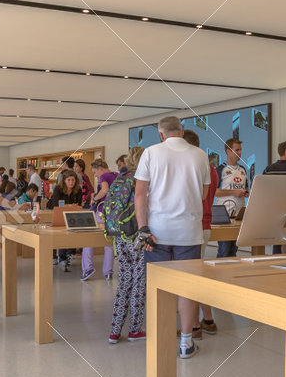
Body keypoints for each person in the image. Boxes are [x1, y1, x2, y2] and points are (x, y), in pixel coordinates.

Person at [135, 116, 212, 359]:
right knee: (186, 288)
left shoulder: (150, 152)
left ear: (161, 134)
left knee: (159, 288)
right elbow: (204, 193)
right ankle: (186, 343)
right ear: (181, 131)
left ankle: (161, 339)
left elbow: (140, 194)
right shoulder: (200, 154)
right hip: (189, 232)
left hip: (157, 232)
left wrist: (143, 227)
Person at [182, 130, 220, 337]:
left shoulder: (194, 167)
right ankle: (208, 319)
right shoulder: (210, 168)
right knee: (198, 274)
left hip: (194, 225)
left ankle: (195, 325)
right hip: (204, 225)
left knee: (191, 277)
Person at [109, 146, 146, 343]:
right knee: (139, 283)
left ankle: (114, 332)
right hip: (137, 236)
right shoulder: (142, 180)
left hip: (119, 236)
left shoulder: (120, 178)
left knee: (124, 283)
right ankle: (134, 330)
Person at [214, 137, 249, 258]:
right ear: (228, 151)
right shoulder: (220, 170)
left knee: (233, 251)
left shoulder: (243, 170)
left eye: (240, 150)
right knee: (224, 251)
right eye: (237, 150)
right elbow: (215, 192)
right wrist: (234, 192)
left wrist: (246, 193)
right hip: (224, 216)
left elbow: (245, 188)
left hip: (238, 216)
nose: (239, 153)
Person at [81, 159, 115, 281]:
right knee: (109, 243)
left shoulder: (104, 176)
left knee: (89, 237)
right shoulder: (116, 175)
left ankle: (88, 268)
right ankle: (108, 271)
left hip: (102, 211)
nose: (95, 175)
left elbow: (104, 190)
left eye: (95, 172)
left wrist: (95, 198)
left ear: (100, 168)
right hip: (114, 213)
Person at [47, 168, 84, 272]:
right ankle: (54, 256)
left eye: (73, 180)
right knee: (56, 234)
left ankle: (63, 257)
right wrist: (70, 205)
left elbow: (79, 204)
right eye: (69, 180)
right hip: (56, 213)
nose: (71, 182)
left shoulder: (78, 190)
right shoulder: (58, 189)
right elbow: (55, 204)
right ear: (64, 181)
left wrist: (73, 206)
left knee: (65, 235)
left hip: (71, 215)